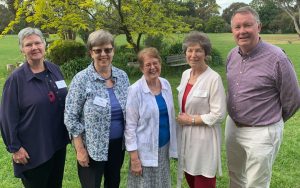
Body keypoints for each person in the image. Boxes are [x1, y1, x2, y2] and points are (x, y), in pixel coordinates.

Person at [226, 6, 300, 188]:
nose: (242, 31)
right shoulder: (232, 55)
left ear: (259, 27)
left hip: (262, 132)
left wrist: (271, 120)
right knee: (235, 176)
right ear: (232, 31)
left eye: (247, 25)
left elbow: (293, 99)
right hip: (233, 126)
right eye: (237, 27)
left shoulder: (277, 58)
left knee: (256, 183)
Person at [0, 27, 69, 187]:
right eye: (28, 45)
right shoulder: (16, 80)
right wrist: (15, 148)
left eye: (38, 43)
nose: (34, 48)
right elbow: (7, 116)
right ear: (22, 49)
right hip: (33, 149)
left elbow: (65, 99)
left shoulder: (55, 70)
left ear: (44, 45)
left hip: (57, 143)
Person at [64, 29, 130, 188]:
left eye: (108, 49)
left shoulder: (122, 77)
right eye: (97, 50)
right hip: (91, 148)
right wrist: (80, 150)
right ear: (90, 53)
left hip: (117, 146)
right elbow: (71, 117)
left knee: (113, 183)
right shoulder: (81, 79)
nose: (103, 54)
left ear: (113, 51)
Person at [176, 31, 226, 188]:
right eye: (189, 50)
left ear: (205, 53)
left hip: (205, 140)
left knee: (204, 181)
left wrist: (190, 120)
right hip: (186, 138)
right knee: (190, 177)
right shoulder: (185, 74)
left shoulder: (213, 78)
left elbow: (219, 115)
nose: (193, 55)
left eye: (198, 50)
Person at [125, 47, 178, 188]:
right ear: (142, 68)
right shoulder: (135, 91)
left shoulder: (165, 84)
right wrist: (134, 159)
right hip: (144, 152)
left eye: (155, 63)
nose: (152, 67)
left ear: (160, 64)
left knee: (162, 183)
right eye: (148, 65)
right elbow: (130, 127)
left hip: (163, 149)